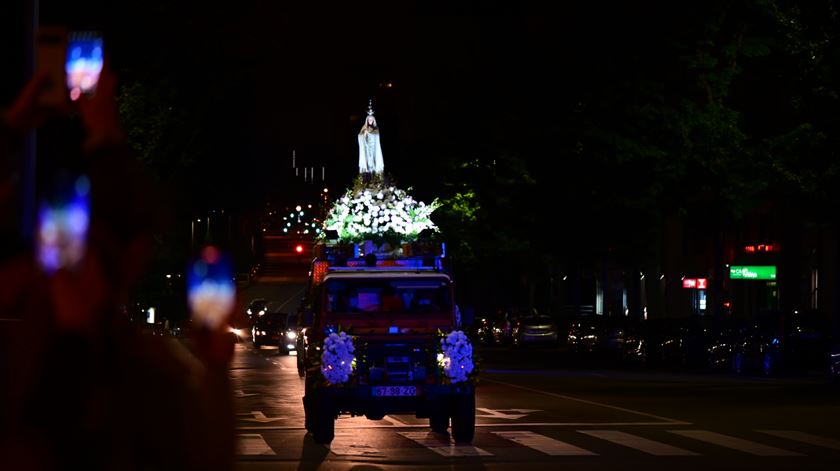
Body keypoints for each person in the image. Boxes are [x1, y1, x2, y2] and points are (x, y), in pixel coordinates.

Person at [0, 60, 235, 470]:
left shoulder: (16, 354)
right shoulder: (156, 378)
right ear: (137, 256)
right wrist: (215, 373)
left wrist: (14, 126)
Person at [357, 100, 384, 175]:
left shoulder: (376, 128)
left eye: (372, 119)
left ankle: (374, 174)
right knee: (367, 162)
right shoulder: (364, 128)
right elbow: (359, 136)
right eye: (369, 119)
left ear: (373, 120)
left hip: (374, 149)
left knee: (373, 162)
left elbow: (377, 136)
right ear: (367, 120)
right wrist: (364, 134)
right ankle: (367, 174)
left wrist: (369, 133)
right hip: (366, 148)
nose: (370, 121)